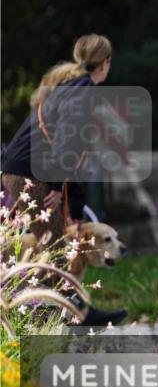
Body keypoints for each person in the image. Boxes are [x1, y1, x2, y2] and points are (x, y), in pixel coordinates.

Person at [0, 33, 126, 326]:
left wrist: (76, 212)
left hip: (26, 170)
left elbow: (74, 158)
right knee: (54, 244)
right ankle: (62, 316)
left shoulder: (73, 87)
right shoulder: (82, 91)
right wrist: (56, 187)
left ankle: (58, 312)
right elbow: (64, 146)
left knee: (54, 244)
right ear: (105, 63)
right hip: (28, 174)